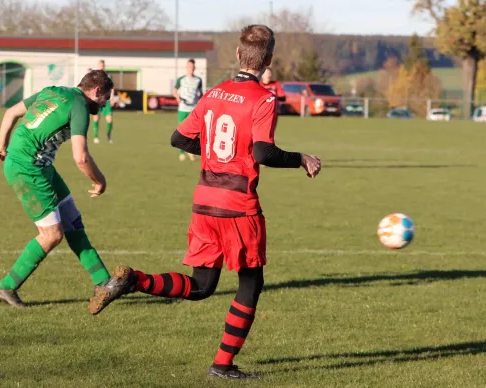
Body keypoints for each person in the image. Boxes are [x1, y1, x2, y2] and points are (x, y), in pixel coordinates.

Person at [88, 25, 322, 379]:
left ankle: (135, 280)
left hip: (204, 200)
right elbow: (263, 152)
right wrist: (301, 157)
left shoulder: (213, 93)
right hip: (238, 204)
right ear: (269, 60)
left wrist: (212, 153)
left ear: (239, 55)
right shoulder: (264, 98)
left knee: (201, 286)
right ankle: (223, 365)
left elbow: (179, 138)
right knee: (250, 282)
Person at [0, 70, 116, 307]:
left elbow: (11, 113)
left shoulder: (53, 91)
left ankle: (103, 282)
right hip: (27, 169)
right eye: (105, 99)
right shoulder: (79, 105)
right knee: (52, 235)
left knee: (72, 221)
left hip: (38, 165)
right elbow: (80, 157)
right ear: (96, 90)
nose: (104, 105)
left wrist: (1, 145)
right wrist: (100, 181)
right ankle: (6, 287)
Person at [173, 59, 203, 161]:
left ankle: (190, 151)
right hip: (183, 108)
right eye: (189, 67)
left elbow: (201, 94)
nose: (191, 69)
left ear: (194, 68)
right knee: (182, 130)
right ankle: (181, 152)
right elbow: (175, 90)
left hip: (193, 109)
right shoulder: (181, 79)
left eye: (193, 67)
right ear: (186, 68)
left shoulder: (198, 80)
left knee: (194, 131)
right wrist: (178, 98)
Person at [91, 60, 115, 144]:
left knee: (109, 119)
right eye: (100, 65)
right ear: (98, 65)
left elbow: (111, 87)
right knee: (96, 118)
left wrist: (112, 98)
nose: (101, 66)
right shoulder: (94, 76)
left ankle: (109, 135)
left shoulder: (108, 76)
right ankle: (96, 136)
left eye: (103, 65)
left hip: (106, 100)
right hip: (97, 100)